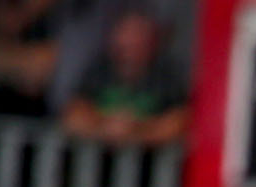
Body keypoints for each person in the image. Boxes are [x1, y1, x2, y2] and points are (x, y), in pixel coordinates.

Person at [61, 5, 184, 145]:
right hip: (97, 155)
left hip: (151, 157)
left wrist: (137, 130)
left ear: (153, 40)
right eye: (126, 34)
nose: (131, 42)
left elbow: (179, 122)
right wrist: (105, 126)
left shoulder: (167, 75)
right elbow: (73, 117)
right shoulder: (98, 69)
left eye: (138, 35)